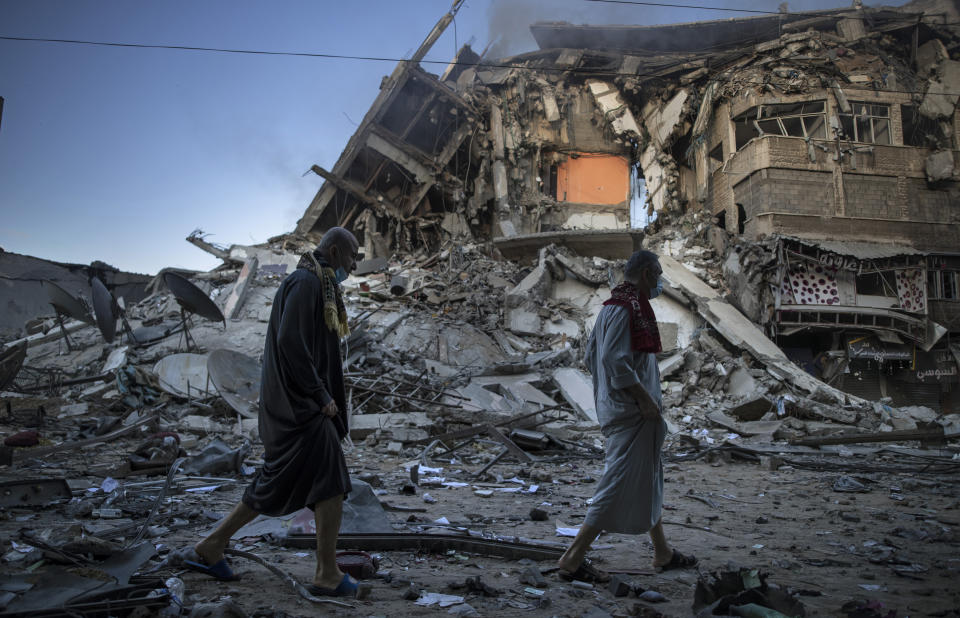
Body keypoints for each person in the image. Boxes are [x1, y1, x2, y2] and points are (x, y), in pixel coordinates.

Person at [184, 227, 362, 597]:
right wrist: (319, 394)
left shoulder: (319, 284)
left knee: (286, 482)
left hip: (302, 406)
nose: (354, 266)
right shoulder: (306, 284)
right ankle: (326, 574)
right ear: (332, 250)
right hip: (300, 407)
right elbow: (290, 342)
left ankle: (212, 545)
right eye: (351, 257)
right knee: (328, 482)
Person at [557, 250, 697, 582]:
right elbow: (613, 362)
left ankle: (662, 552)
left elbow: (594, 359)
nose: (660, 281)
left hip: (626, 409)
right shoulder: (624, 311)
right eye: (659, 274)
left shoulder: (614, 308)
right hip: (631, 412)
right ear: (647, 274)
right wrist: (642, 400)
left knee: (648, 478)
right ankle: (572, 558)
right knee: (618, 483)